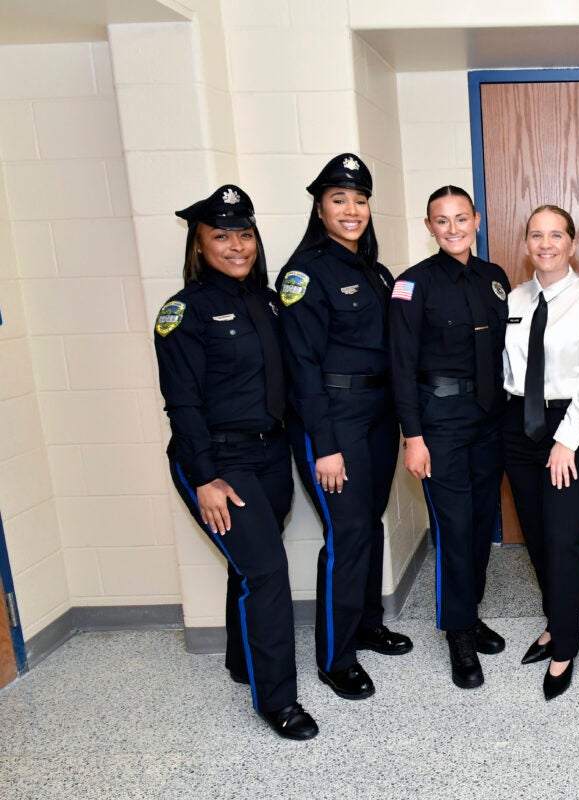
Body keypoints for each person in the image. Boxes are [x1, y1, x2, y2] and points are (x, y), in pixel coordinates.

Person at [155, 184, 316, 740]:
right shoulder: (184, 312)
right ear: (199, 245)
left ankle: (241, 661)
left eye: (244, 234)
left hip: (269, 454)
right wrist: (204, 479)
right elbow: (182, 403)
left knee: (250, 564)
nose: (237, 246)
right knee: (268, 572)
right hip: (217, 458)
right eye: (221, 236)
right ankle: (277, 701)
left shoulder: (268, 301)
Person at [276, 153, 412, 703]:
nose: (351, 210)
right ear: (320, 207)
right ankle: (335, 657)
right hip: (332, 420)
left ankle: (366, 622)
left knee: (370, 523)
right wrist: (325, 447)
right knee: (347, 534)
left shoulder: (374, 270)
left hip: (377, 418)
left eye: (359, 199)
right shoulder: (305, 273)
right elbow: (301, 368)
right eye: (338, 200)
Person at [389, 186, 510, 689]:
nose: (454, 228)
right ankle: (457, 634)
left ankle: (470, 611)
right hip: (440, 423)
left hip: (490, 418)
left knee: (481, 523)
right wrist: (412, 437)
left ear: (477, 219)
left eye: (462, 218)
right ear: (429, 226)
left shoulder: (496, 279)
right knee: (454, 529)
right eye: (443, 221)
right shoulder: (412, 285)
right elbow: (399, 366)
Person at [502, 205, 579, 701]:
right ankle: (554, 621)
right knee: (539, 538)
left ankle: (564, 644)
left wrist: (567, 440)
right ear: (526, 244)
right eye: (536, 235)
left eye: (556, 235)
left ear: (572, 243)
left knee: (565, 539)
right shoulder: (514, 298)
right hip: (519, 427)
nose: (546, 244)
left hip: (576, 429)